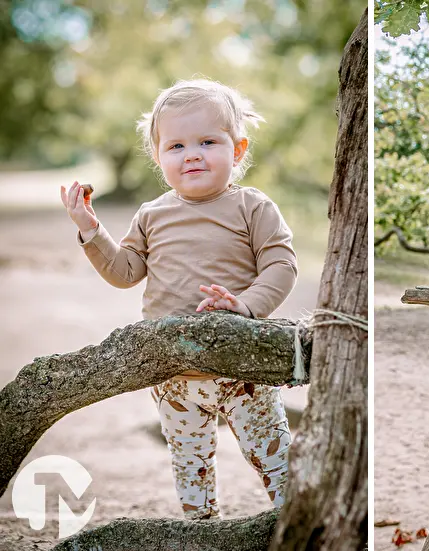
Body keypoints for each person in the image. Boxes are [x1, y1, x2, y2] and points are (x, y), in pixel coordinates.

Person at [60, 79, 297, 519]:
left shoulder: (252, 206)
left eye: (208, 141)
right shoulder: (151, 214)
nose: (192, 154)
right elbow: (124, 272)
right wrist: (91, 231)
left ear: (238, 149)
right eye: (176, 146)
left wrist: (245, 305)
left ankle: (300, 529)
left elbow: (281, 267)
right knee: (190, 463)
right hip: (173, 375)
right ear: (158, 157)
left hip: (242, 363)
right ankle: (202, 531)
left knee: (275, 456)